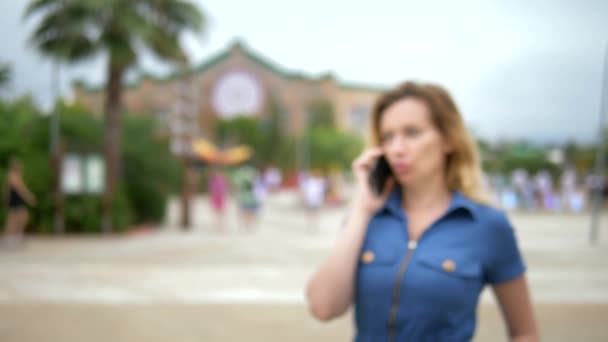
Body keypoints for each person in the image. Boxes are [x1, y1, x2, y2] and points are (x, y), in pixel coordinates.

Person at [306, 81, 538, 341]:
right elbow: (323, 308)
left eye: (412, 133)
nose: (396, 149)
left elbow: (525, 332)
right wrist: (361, 209)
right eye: (387, 137)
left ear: (449, 140)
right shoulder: (367, 218)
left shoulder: (486, 225)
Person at [3, 158, 36, 249]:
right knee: (15, 218)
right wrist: (29, 198)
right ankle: (11, 237)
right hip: (15, 199)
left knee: (19, 217)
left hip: (16, 199)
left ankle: (16, 235)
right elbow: (20, 189)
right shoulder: (13, 176)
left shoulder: (16, 176)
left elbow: (7, 190)